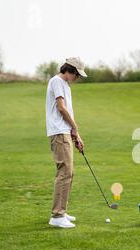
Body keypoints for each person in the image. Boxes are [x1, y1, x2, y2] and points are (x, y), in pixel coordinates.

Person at [46, 57, 87, 228]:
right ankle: (57, 216)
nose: (78, 78)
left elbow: (66, 109)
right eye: (77, 75)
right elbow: (61, 108)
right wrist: (75, 127)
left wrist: (76, 135)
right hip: (59, 132)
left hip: (65, 132)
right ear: (71, 70)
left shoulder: (65, 85)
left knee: (69, 172)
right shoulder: (57, 81)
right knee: (65, 172)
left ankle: (62, 210)